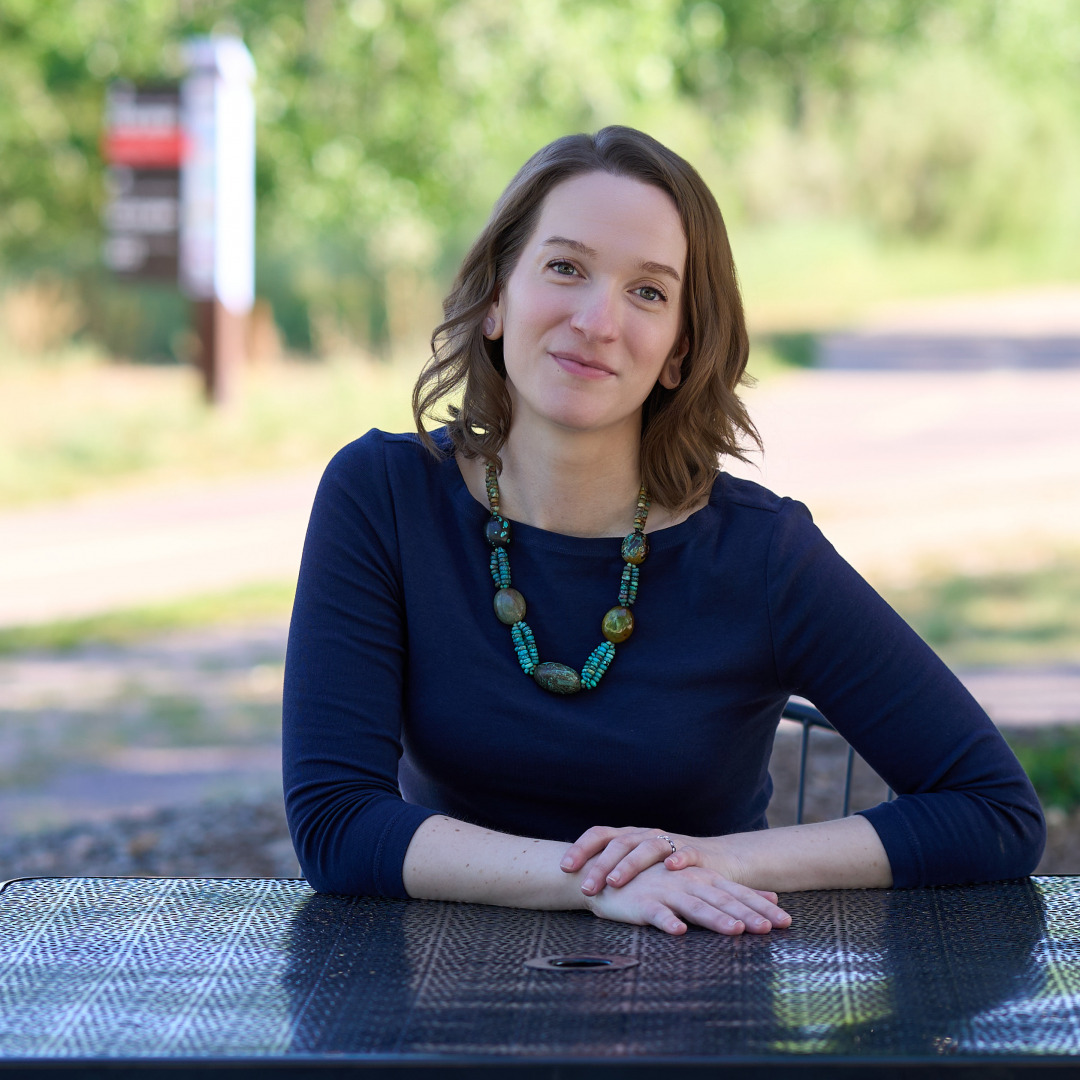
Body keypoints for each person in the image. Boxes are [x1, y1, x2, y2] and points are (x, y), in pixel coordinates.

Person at [283, 126, 1044, 937]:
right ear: (497, 297)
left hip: (703, 979)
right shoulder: (383, 497)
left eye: (648, 292)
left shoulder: (762, 554)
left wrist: (704, 861)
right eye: (566, 267)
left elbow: (994, 811)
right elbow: (336, 822)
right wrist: (598, 882)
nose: (596, 321)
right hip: (439, 983)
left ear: (680, 350)